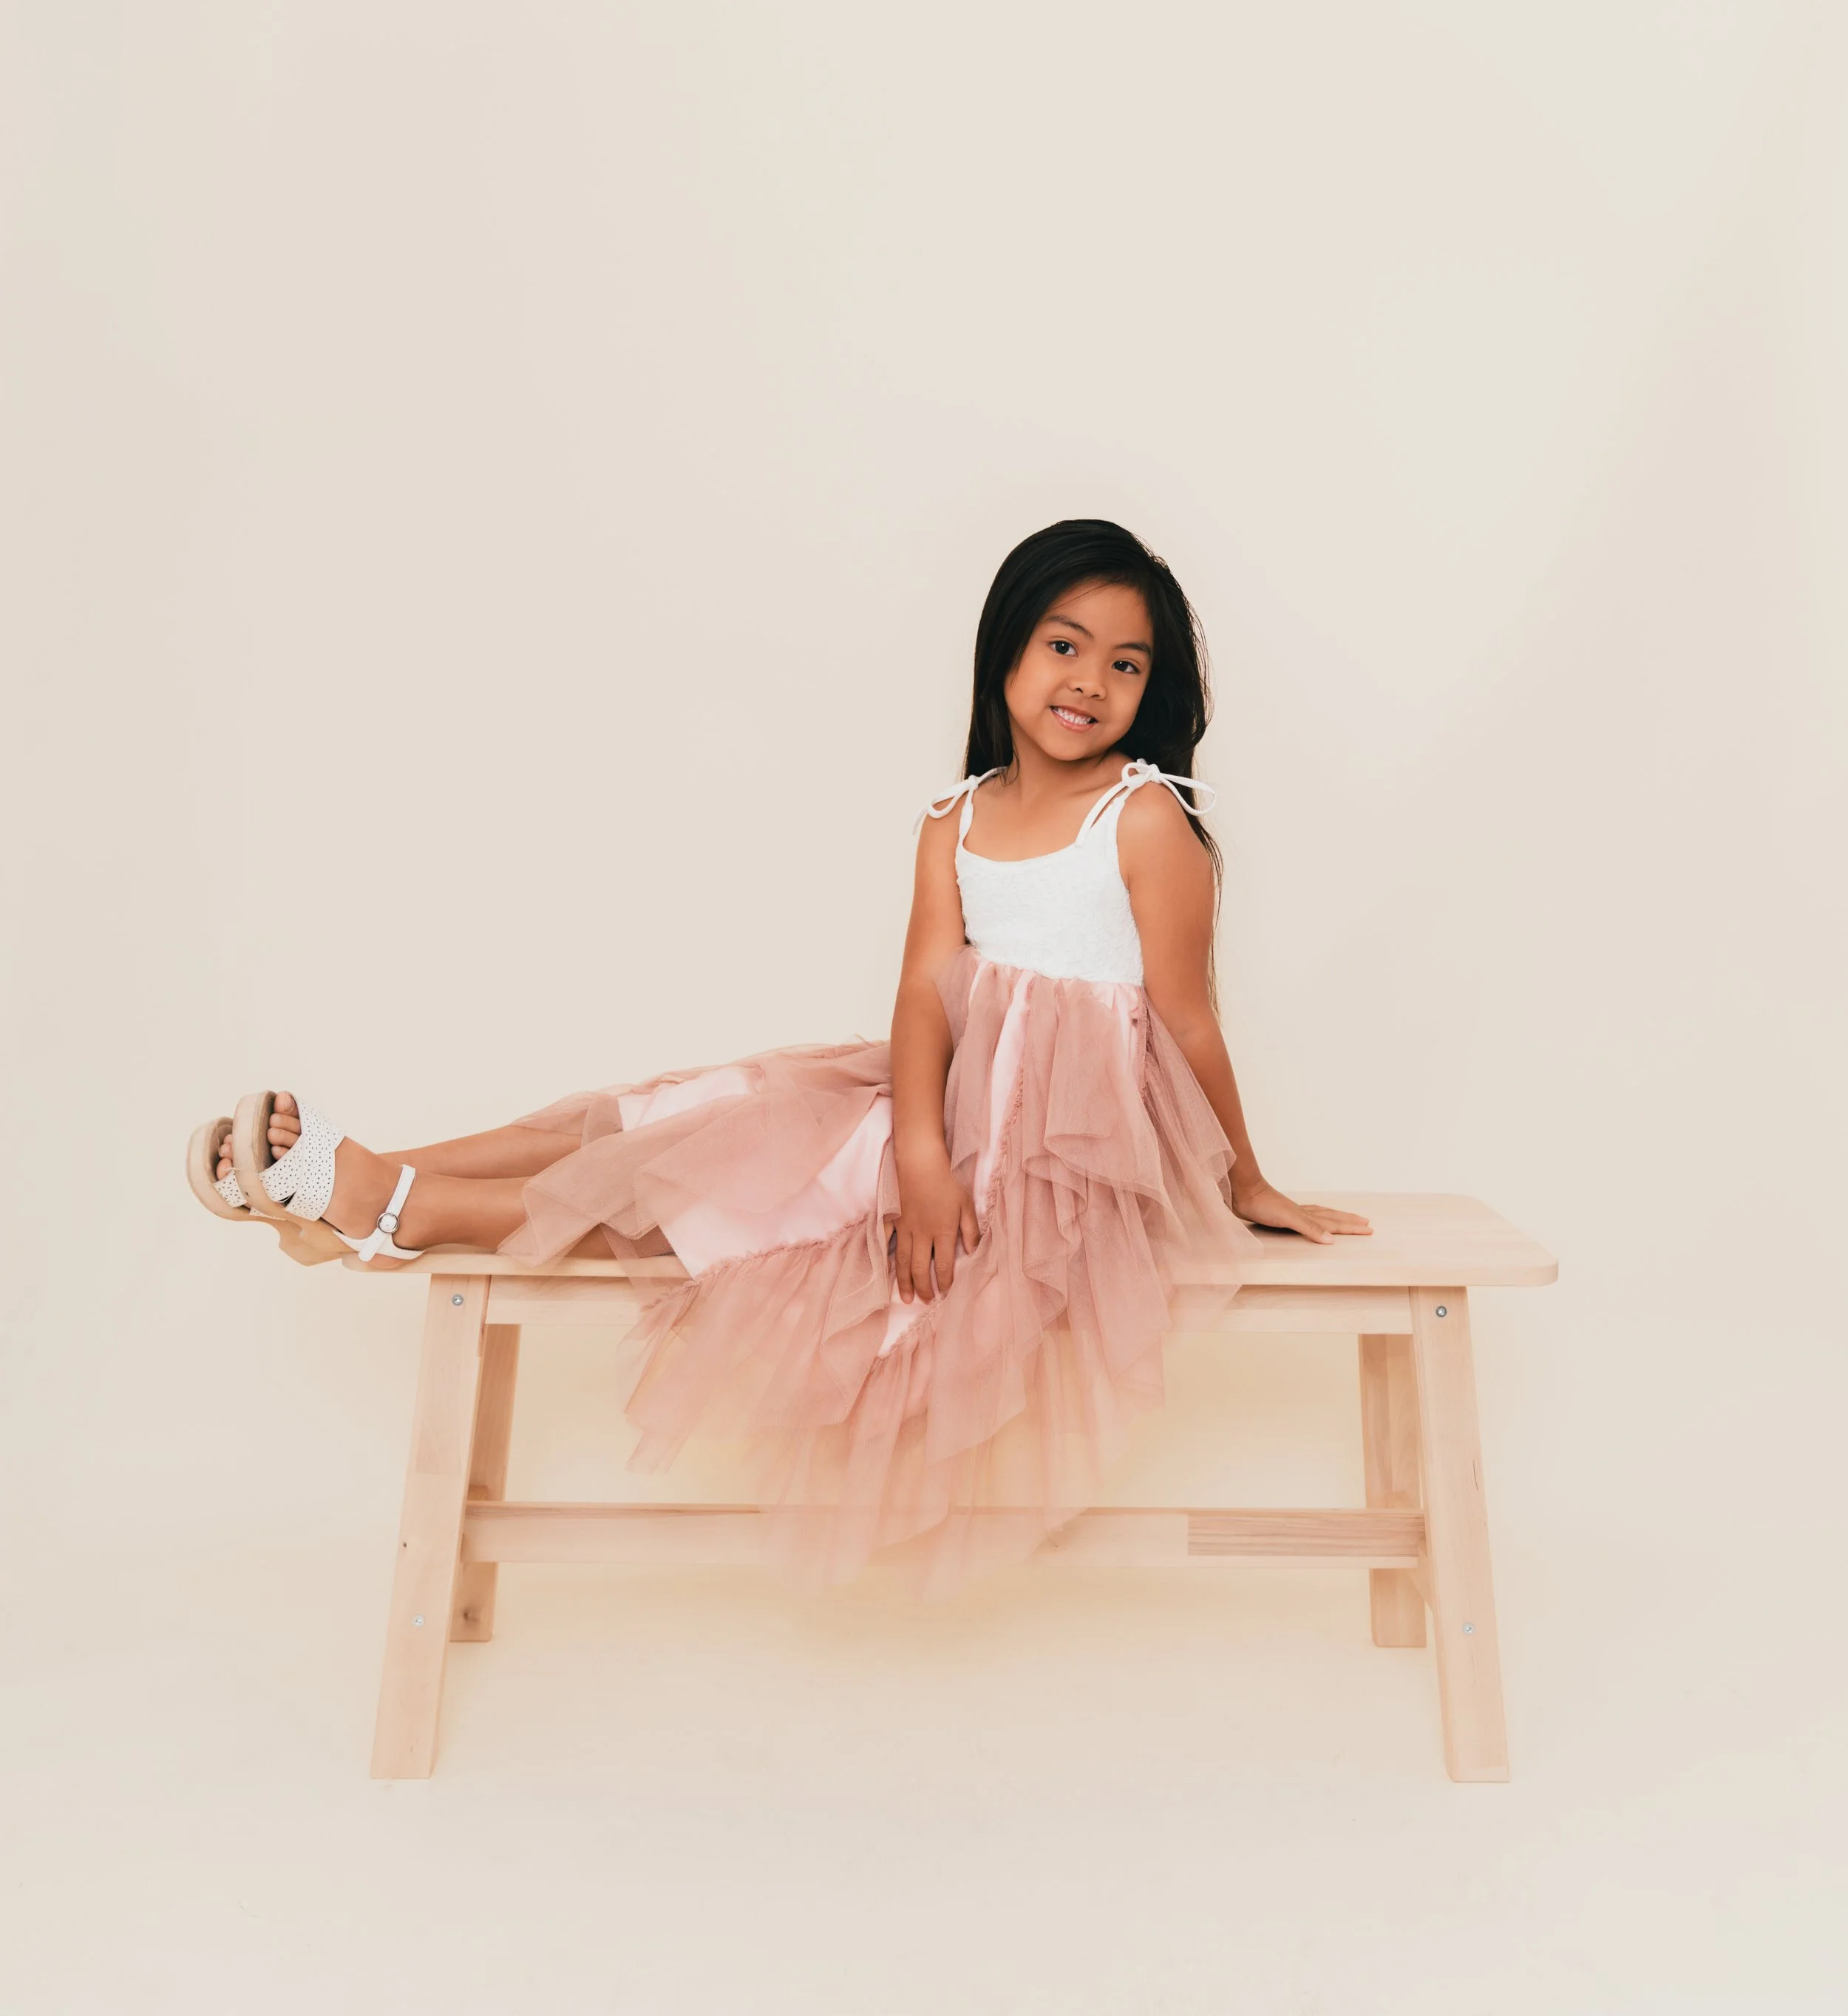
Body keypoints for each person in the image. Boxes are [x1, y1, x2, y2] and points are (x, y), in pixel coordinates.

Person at [187, 519, 1370, 1587]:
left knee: (732, 1206)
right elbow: (923, 991)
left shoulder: (1144, 814)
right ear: (1006, 648)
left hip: (1049, 1172)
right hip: (941, 1112)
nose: (1091, 682)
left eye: (1126, 664)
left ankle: (392, 1205)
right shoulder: (953, 818)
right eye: (1067, 645)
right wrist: (916, 1142)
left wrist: (1245, 1180)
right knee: (686, 1112)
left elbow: (1189, 1017)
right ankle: (367, 1168)